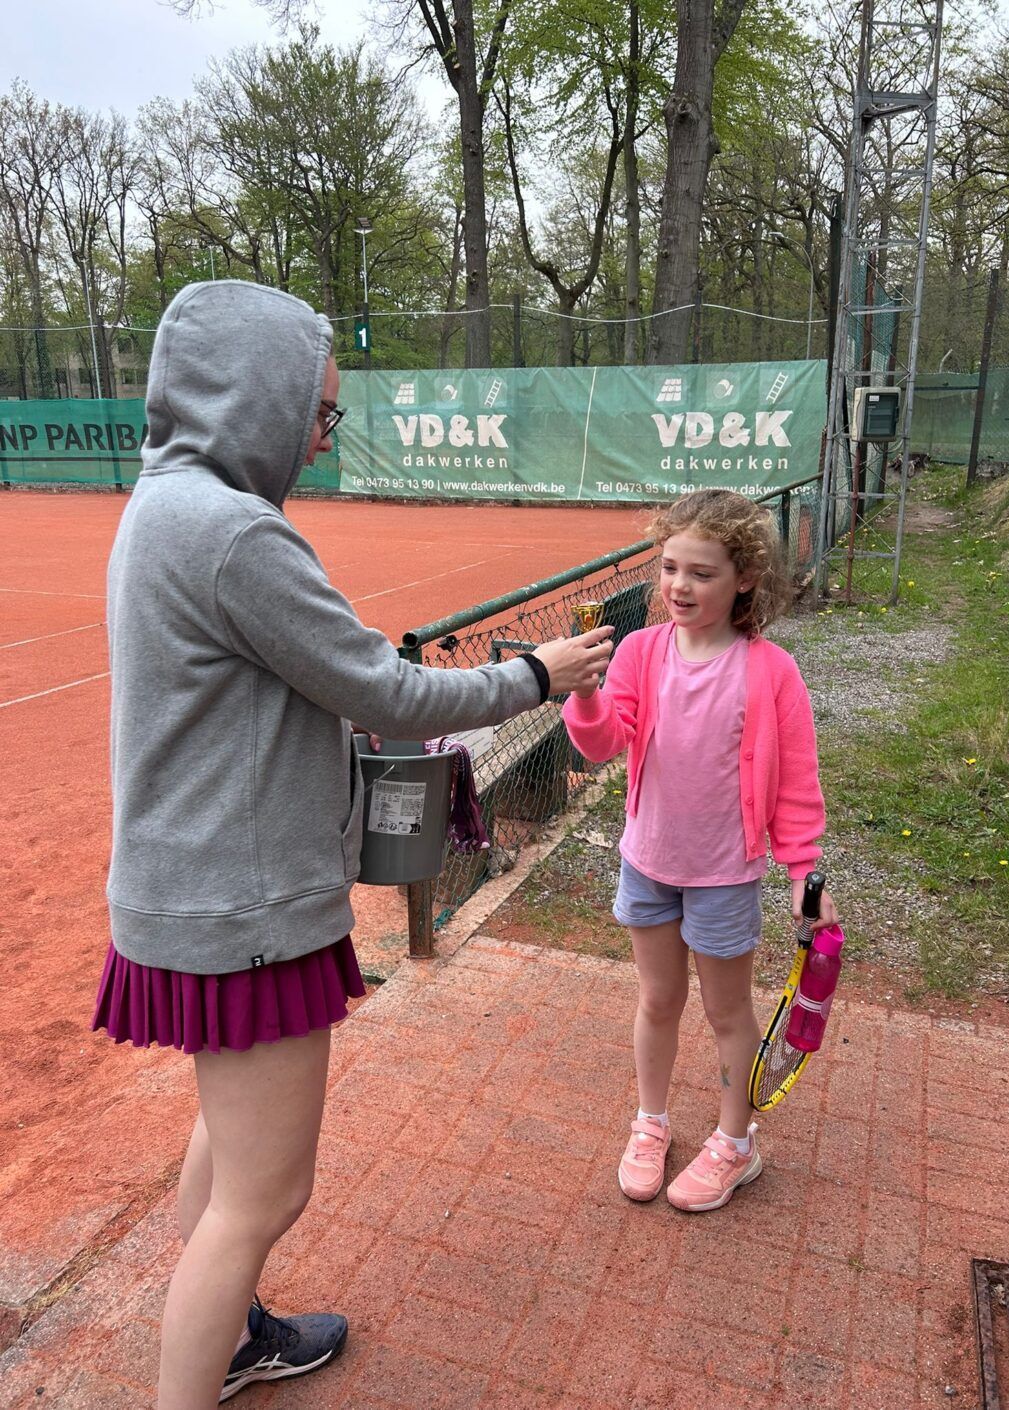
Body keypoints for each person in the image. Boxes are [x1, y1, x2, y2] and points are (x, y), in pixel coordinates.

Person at [91, 280, 612, 1409]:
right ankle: (206, 1363)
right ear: (255, 399)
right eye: (315, 412)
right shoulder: (235, 531)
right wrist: (537, 674)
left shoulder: (162, 504)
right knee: (262, 1199)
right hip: (244, 905)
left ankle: (234, 1341)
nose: (321, 438)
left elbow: (296, 687)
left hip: (191, 892)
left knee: (228, 1154)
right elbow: (385, 686)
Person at [562, 489, 836, 1213]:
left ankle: (735, 1144)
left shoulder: (772, 671)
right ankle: (650, 1123)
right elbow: (603, 743)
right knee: (658, 999)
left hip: (723, 876)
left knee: (726, 1012)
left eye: (702, 573)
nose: (679, 586)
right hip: (647, 862)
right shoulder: (641, 652)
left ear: (746, 578)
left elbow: (796, 784)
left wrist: (805, 872)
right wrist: (585, 696)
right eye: (669, 567)